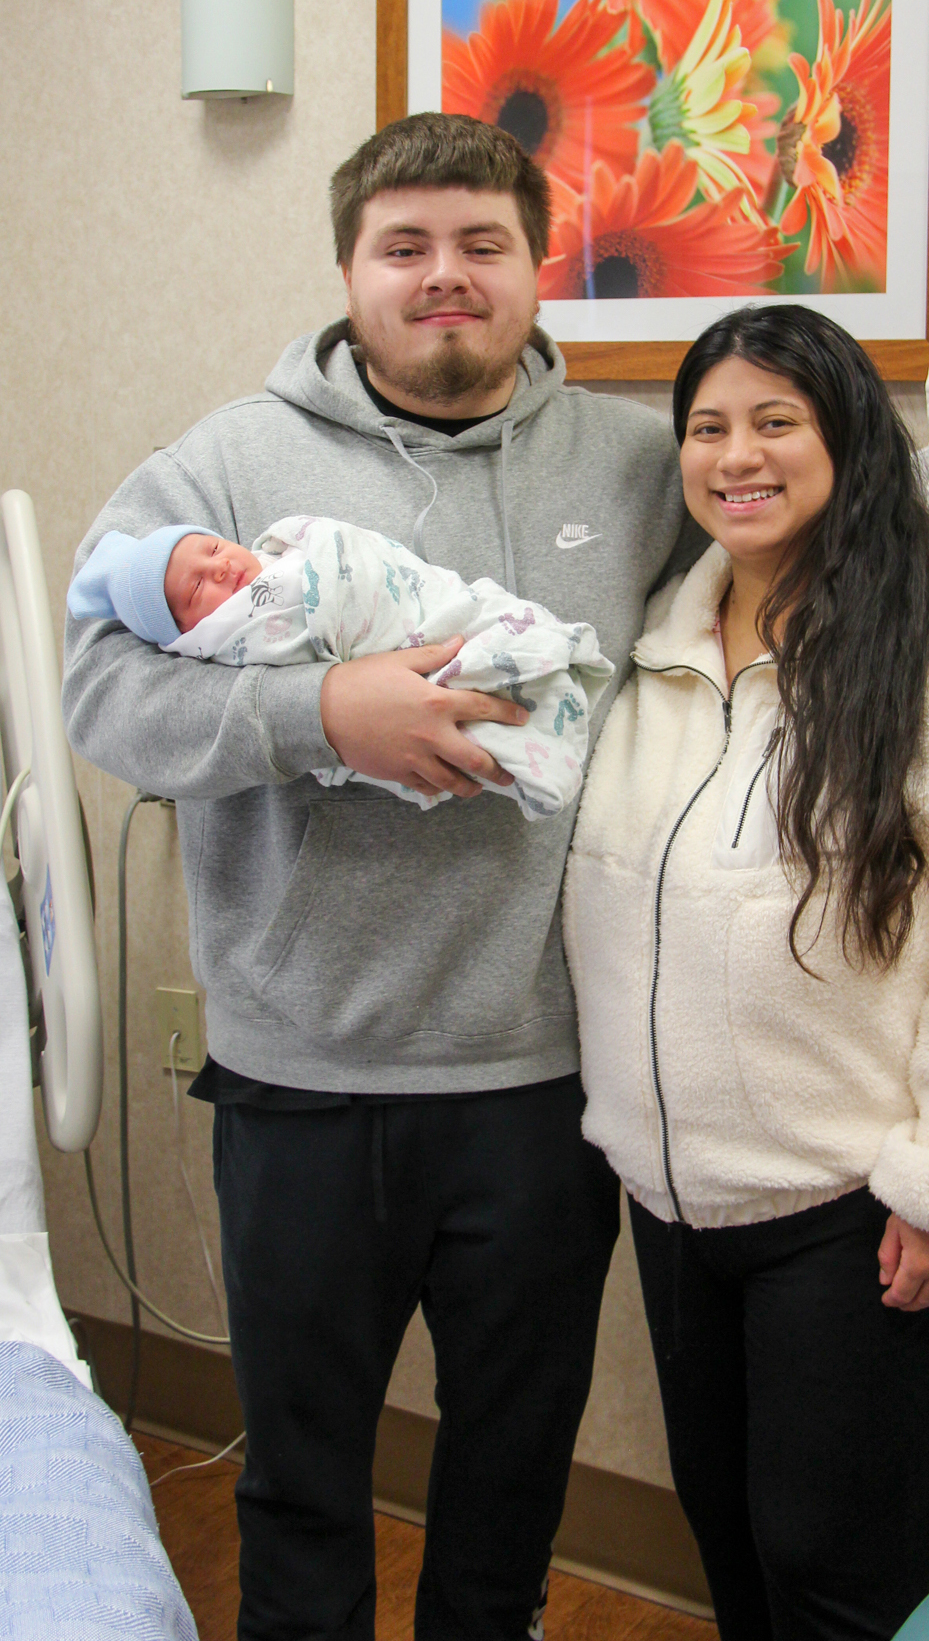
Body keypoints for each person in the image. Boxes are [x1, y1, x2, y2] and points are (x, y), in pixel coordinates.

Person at [62, 112, 697, 1641]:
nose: (444, 277)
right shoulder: (222, 460)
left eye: (482, 244)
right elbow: (96, 692)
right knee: (298, 1484)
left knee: (507, 1476)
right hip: (302, 1076)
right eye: (403, 246)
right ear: (348, 267)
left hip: (544, 1082)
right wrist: (316, 712)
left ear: (538, 268)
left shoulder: (639, 462)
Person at [563, 304, 929, 1641]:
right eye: (706, 427)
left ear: (846, 439)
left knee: (832, 1574)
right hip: (673, 1202)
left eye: (773, 421)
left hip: (851, 1210)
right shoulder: (653, 648)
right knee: (731, 1546)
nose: (736, 455)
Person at [66, 516, 614, 818]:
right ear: (188, 635)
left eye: (212, 549)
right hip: (299, 1011)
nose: (221, 570)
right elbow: (102, 704)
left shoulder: (292, 551)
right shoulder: (227, 633)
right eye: (196, 587)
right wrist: (322, 710)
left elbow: (373, 567)